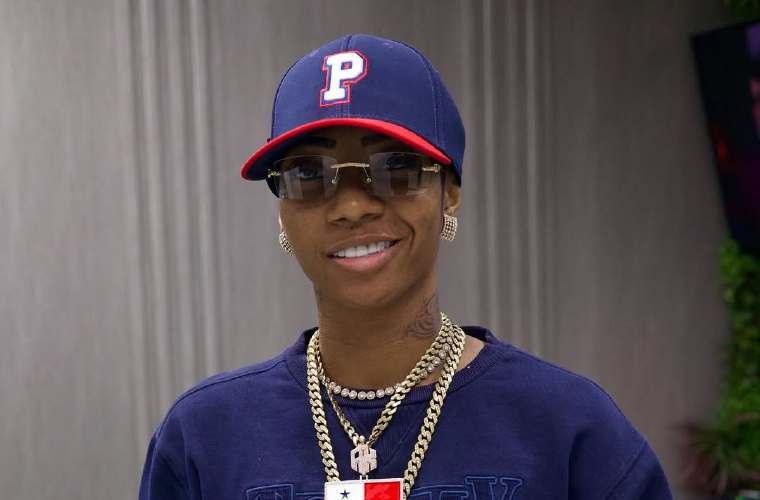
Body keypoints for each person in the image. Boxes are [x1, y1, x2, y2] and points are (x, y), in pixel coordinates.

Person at [139, 33, 673, 500]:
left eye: (396, 167)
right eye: (308, 173)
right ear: (282, 208)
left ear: (450, 192)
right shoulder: (205, 436)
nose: (352, 206)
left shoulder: (569, 428)